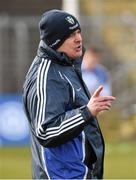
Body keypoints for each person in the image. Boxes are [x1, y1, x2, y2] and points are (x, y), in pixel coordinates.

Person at [23, 9, 115, 179]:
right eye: (70, 34)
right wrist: (86, 112)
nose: (79, 38)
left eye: (79, 31)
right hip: (62, 175)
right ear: (55, 40)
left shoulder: (67, 64)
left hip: (80, 172)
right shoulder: (46, 77)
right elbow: (46, 131)